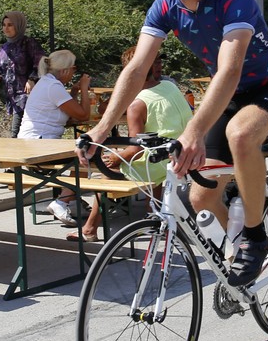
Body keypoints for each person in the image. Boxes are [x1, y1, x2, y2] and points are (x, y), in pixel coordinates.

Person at [81, 0, 268, 288]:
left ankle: (255, 237)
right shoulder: (165, 5)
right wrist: (102, 128)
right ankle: (237, 258)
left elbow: (230, 70)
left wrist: (194, 131)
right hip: (228, 95)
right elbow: (137, 68)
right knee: (199, 199)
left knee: (241, 135)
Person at [79, 46, 193, 240]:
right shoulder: (170, 87)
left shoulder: (137, 104)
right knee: (152, 158)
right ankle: (152, 211)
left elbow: (136, 149)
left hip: (160, 160)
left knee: (108, 172)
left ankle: (89, 228)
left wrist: (117, 157)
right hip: (179, 153)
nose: (159, 65)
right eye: (156, 62)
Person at [20, 49, 94, 225]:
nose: (74, 72)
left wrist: (74, 91)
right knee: (88, 153)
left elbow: (66, 110)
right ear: (65, 70)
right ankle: (63, 201)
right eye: (74, 68)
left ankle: (70, 199)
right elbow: (83, 115)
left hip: (32, 142)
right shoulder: (53, 86)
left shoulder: (47, 83)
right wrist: (84, 89)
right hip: (39, 144)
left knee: (83, 153)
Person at [0, 11, 45, 138]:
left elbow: (42, 62)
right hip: (12, 98)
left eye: (10, 25)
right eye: (4, 25)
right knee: (23, 134)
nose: (6, 28)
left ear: (18, 25)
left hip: (29, 96)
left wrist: (32, 79)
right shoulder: (3, 48)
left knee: (15, 134)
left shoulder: (29, 43)